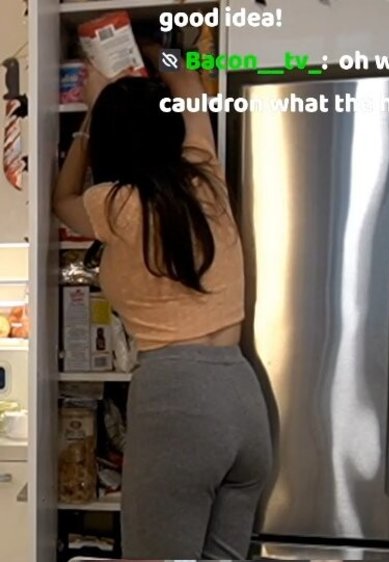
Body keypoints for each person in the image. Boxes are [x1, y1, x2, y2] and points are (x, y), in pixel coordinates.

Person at [53, 44, 272, 560]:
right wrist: (159, 50)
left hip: (179, 403)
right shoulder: (206, 177)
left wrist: (92, 115)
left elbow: (62, 200)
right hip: (243, 397)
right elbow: (189, 87)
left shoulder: (115, 203)